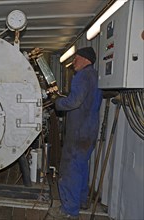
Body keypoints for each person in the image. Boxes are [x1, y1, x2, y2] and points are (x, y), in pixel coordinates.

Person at [48, 47, 102, 219]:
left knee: (69, 169)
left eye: (76, 58)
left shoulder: (82, 76)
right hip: (89, 131)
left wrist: (57, 102)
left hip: (78, 133)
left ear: (86, 59)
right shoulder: (95, 76)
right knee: (81, 167)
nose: (73, 63)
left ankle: (69, 211)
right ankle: (81, 201)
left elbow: (75, 101)